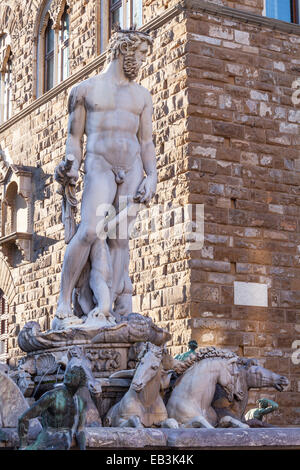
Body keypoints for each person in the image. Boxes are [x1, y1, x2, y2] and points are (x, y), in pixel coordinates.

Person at [53, 27, 156, 330]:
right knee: (88, 231)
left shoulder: (142, 96)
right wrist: (71, 164)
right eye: (140, 55)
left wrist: (152, 176)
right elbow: (74, 139)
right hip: (99, 165)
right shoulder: (84, 90)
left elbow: (147, 142)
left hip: (133, 167)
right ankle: (63, 302)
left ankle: (108, 309)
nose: (141, 62)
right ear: (125, 50)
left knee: (120, 239)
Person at [18, 365, 87, 450]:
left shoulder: (80, 402)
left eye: (72, 373)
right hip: (46, 444)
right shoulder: (52, 396)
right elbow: (24, 418)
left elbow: (80, 430)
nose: (66, 375)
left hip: (64, 445)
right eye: (67, 373)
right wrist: (23, 446)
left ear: (81, 380)